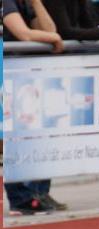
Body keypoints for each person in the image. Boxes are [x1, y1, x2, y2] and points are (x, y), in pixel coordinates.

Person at [3, 0, 68, 214]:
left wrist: (37, 3)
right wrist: (54, 39)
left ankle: (34, 194)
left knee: (34, 137)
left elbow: (50, 29)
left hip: (26, 78)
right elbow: (24, 34)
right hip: (11, 77)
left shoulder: (28, 3)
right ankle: (20, 198)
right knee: (13, 140)